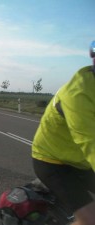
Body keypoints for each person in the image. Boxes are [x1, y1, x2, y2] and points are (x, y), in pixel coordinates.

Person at [32, 41, 95, 225]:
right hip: (52, 160)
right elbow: (90, 143)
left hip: (81, 161)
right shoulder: (79, 94)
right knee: (90, 220)